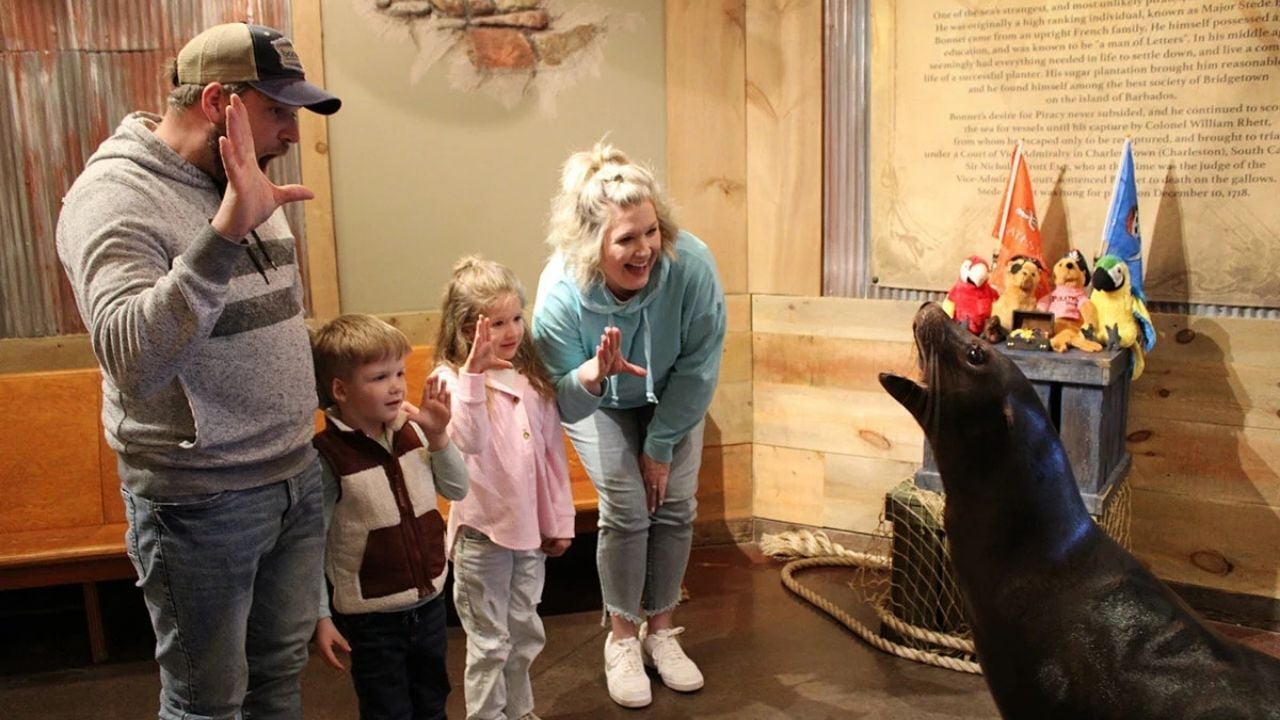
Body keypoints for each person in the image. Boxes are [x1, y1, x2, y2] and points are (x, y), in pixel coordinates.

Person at [55, 21, 341, 720]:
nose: (292, 133)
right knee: (207, 701)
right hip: (201, 503)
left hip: (292, 479)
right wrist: (222, 236)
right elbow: (133, 360)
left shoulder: (240, 176)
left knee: (278, 676)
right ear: (219, 101)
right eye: (278, 110)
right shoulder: (112, 199)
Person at [531, 142, 726, 709]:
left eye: (650, 232)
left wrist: (660, 446)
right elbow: (563, 404)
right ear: (594, 244)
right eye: (626, 239)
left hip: (671, 395)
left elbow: (699, 363)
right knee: (625, 503)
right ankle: (621, 637)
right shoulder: (561, 295)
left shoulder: (691, 266)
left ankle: (661, 631)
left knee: (676, 502)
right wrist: (593, 374)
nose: (644, 250)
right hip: (598, 402)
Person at [431, 256, 577, 720]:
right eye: (497, 322)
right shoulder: (451, 380)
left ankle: (520, 710)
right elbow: (465, 443)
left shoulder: (529, 379)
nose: (512, 331)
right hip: (482, 536)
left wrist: (559, 521)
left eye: (516, 317)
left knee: (524, 631)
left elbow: (552, 457)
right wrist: (473, 376)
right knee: (490, 640)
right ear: (466, 328)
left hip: (529, 535)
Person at [310, 314, 469, 720]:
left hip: (428, 602)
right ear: (340, 390)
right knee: (388, 710)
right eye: (380, 377)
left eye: (399, 372)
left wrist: (438, 436)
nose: (397, 384)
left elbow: (456, 488)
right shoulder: (328, 456)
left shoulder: (413, 430)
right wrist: (320, 615)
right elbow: (310, 543)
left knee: (433, 700)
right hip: (372, 619)